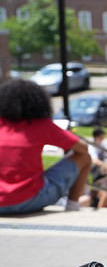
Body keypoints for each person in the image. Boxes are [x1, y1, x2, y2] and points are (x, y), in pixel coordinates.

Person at [0, 79, 91, 214]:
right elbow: (83, 148)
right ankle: (72, 206)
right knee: (85, 157)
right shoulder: (41, 125)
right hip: (31, 200)